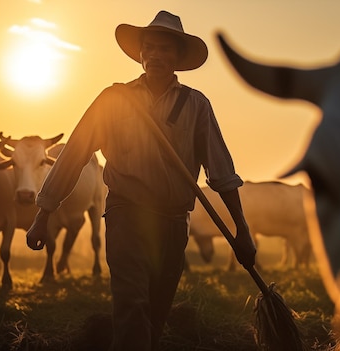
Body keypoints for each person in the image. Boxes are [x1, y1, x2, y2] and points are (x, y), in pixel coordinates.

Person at [25, 10, 257, 351]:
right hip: (126, 215)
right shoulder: (113, 99)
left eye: (165, 49)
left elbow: (222, 172)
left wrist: (242, 231)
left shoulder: (196, 105)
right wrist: (42, 215)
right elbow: (73, 155)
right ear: (141, 54)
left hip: (174, 222)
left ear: (178, 58)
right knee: (132, 305)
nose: (156, 55)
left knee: (157, 311)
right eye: (150, 48)